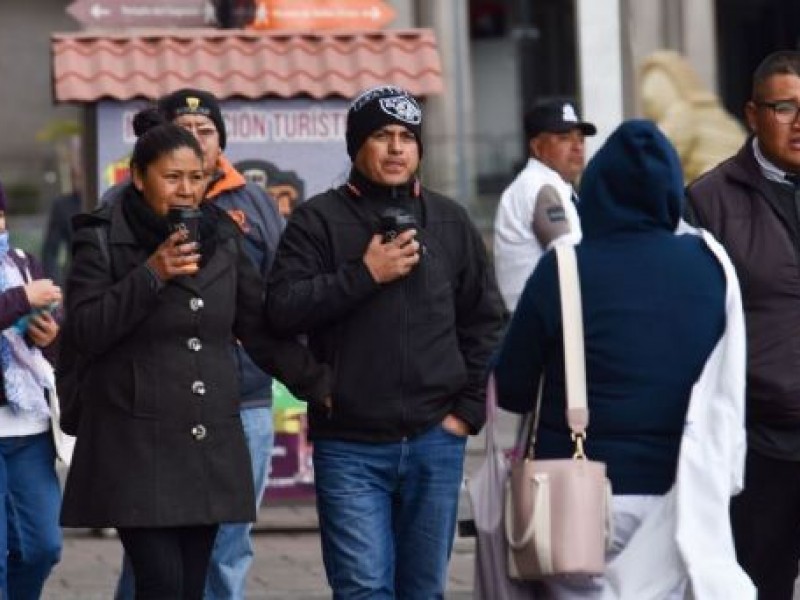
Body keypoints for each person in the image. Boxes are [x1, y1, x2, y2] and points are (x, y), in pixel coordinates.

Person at [59, 109, 330, 600]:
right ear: (139, 178)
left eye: (196, 178)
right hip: (134, 441)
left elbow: (259, 329)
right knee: (160, 582)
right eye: (172, 177)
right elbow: (83, 331)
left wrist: (320, 385)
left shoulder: (222, 235)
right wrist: (152, 274)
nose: (186, 190)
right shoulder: (100, 235)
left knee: (190, 584)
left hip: (205, 440)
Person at [493, 120, 754, 598]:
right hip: (682, 498)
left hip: (574, 499)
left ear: (597, 189)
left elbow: (511, 387)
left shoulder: (565, 267)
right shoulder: (711, 266)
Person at [265, 84, 505, 598]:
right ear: (356, 146)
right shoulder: (317, 220)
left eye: (406, 137)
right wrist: (364, 275)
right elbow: (280, 311)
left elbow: (485, 323)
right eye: (381, 136)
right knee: (362, 589)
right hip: (349, 445)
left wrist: (464, 414)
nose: (396, 148)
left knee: (423, 590)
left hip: (435, 441)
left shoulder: (451, 220)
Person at [111, 87, 285, 600]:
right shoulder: (122, 207)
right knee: (153, 549)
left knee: (228, 543)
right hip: (153, 405)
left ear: (221, 142)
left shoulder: (253, 202)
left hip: (243, 398)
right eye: (182, 132)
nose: (195, 141)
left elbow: (274, 294)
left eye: (205, 131)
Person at [684, 50, 800, 600]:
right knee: (759, 587)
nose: (799, 123)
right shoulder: (709, 200)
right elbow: (690, 326)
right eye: (784, 108)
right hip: (758, 445)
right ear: (753, 115)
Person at [0, 179, 63, 599]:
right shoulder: (23, 282)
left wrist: (48, 335)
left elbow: (48, 345)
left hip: (27, 428)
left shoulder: (23, 261)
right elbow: (21, 302)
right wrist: (21, 298)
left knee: (43, 546)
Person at [493, 98, 596, 312]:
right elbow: (571, 258)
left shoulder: (549, 184)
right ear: (537, 147)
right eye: (564, 138)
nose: (577, 147)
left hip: (540, 322)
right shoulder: (540, 186)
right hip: (546, 329)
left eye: (580, 138)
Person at [639, 49, 746, 185]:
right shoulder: (718, 117)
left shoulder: (682, 112)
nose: (649, 99)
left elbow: (656, 156)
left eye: (656, 90)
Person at [41, 164, 82, 285]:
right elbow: (50, 251)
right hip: (76, 280)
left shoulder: (112, 201)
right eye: (76, 176)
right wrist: (58, 286)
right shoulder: (63, 206)